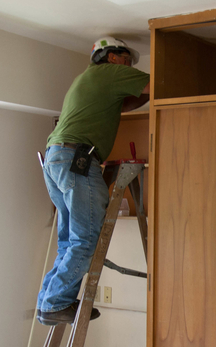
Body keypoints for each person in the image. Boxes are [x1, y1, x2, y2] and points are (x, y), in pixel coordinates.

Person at [36, 36, 149, 325]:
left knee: (69, 242)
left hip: (56, 158)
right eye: (126, 58)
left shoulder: (87, 80)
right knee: (86, 240)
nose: (129, 65)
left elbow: (126, 103)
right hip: (78, 160)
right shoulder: (111, 73)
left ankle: (49, 301)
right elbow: (157, 86)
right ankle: (55, 303)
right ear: (111, 56)